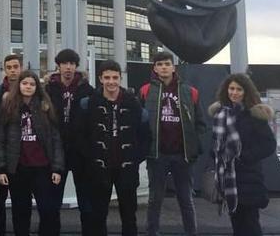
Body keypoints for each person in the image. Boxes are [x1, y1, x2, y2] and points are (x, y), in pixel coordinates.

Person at [76, 60, 150, 236]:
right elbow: (79, 136)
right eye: (107, 77)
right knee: (98, 216)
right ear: (100, 78)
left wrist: (135, 157)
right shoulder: (88, 104)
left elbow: (145, 136)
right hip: (99, 168)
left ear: (120, 78)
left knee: (129, 216)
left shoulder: (134, 104)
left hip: (127, 168)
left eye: (115, 77)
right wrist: (91, 157)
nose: (111, 82)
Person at [140, 51, 206, 236]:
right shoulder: (146, 90)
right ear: (154, 68)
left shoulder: (189, 91)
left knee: (186, 199)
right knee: (155, 199)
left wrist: (194, 144)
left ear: (173, 67)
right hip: (157, 154)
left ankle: (191, 232)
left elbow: (200, 123)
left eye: (167, 64)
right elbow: (140, 121)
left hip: (182, 154)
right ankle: (152, 232)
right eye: (159, 64)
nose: (163, 67)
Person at [0, 70, 64, 236]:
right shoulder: (8, 106)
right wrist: (1, 168)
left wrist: (57, 168)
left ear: (37, 87)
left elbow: (55, 139)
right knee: (20, 213)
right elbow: (0, 140)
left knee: (48, 211)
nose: (28, 87)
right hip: (18, 168)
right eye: (25, 83)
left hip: (42, 167)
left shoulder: (45, 106)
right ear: (18, 85)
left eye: (32, 84)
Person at [208, 73, 276, 236]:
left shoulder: (254, 115)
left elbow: (269, 144)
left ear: (246, 92)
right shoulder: (221, 114)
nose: (234, 93)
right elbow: (217, 143)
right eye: (231, 88)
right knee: (237, 225)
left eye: (239, 89)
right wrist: (216, 154)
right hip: (228, 179)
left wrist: (244, 157)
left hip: (249, 178)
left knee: (251, 225)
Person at [44, 48, 95, 233]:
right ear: (58, 66)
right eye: (64, 63)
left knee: (86, 201)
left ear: (76, 67)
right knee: (52, 201)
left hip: (81, 152)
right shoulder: (48, 89)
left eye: (72, 64)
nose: (68, 67)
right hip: (56, 152)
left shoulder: (87, 89)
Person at [0, 54, 22, 236]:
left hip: (23, 152)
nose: (13, 70)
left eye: (16, 66)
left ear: (20, 68)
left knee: (19, 197)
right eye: (9, 67)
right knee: (1, 196)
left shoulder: (28, 89)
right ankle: (1, 231)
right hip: (2, 149)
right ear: (5, 70)